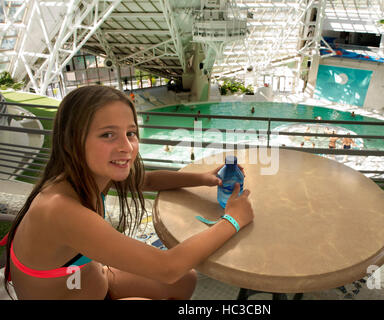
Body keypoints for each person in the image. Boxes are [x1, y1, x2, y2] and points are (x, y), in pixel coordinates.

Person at [0, 85, 254, 300]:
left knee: (185, 281)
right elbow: (168, 268)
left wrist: (204, 178)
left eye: (130, 133)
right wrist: (234, 219)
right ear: (72, 140)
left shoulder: (90, 175)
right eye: (108, 134)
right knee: (176, 275)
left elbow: (150, 179)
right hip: (79, 288)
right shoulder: (59, 209)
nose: (126, 146)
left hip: (89, 279)